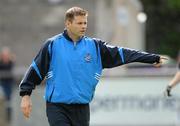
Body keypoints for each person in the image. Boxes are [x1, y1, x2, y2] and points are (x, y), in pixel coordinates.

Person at [19, 7, 166, 126]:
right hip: (57, 107)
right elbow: (35, 69)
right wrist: (26, 95)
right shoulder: (52, 45)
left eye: (85, 23)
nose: (83, 26)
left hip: (82, 108)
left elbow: (124, 53)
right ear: (68, 23)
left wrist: (151, 58)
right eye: (79, 23)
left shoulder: (95, 46)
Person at [0, 46, 15, 122]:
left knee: (9, 103)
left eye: (7, 55)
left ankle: (8, 119)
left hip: (9, 85)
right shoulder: (1, 63)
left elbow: (10, 67)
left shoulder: (11, 63)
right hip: (2, 84)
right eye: (4, 55)